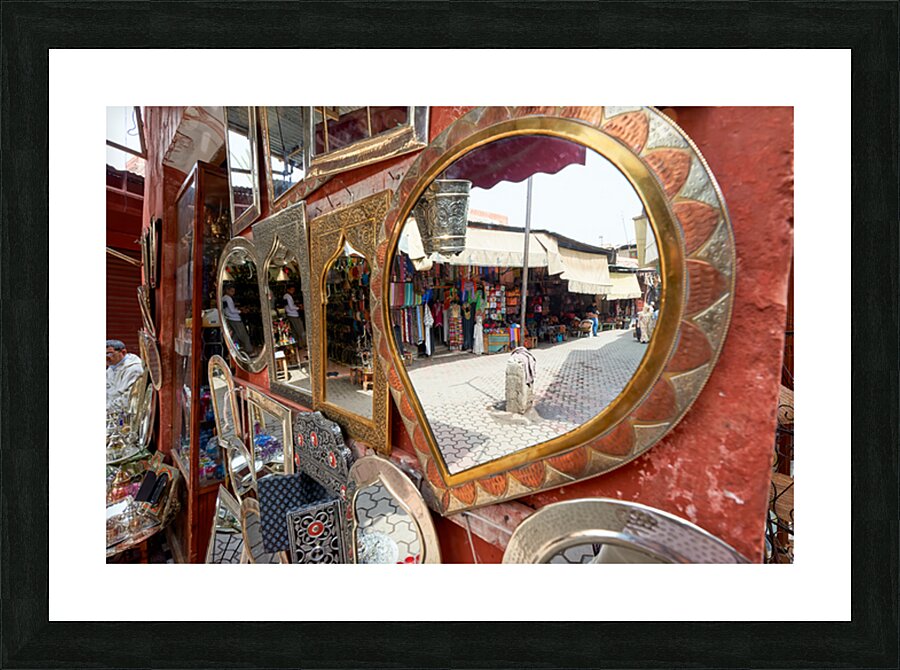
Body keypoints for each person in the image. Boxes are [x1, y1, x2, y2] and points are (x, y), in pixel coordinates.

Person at [106, 339, 144, 412]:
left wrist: (108, 408)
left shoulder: (134, 369)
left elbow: (131, 396)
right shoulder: (111, 368)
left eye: (109, 353)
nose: (106, 357)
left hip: (127, 413)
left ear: (123, 352)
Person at [222, 284, 255, 355]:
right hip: (235, 318)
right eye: (231, 291)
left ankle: (234, 350)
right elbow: (232, 310)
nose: (233, 293)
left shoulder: (224, 298)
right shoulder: (228, 298)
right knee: (244, 335)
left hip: (229, 318)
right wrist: (241, 311)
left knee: (235, 336)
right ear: (227, 290)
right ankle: (249, 350)